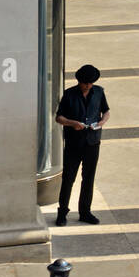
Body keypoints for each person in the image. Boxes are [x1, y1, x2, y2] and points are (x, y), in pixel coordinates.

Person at [55, 64, 110, 226]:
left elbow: (106, 111)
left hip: (92, 142)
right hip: (74, 143)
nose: (88, 86)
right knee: (68, 178)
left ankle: (85, 211)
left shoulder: (99, 92)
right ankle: (63, 211)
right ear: (79, 81)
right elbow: (59, 118)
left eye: (91, 83)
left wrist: (102, 122)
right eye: (86, 83)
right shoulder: (69, 95)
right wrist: (72, 123)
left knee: (88, 178)